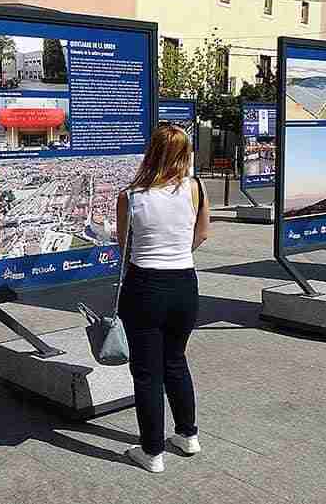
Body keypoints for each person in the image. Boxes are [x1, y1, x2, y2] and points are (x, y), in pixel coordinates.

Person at [116, 125, 210, 473]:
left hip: (145, 285)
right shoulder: (196, 189)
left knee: (146, 373)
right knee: (175, 360)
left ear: (151, 153)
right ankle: (188, 435)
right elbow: (202, 234)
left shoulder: (131, 195)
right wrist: (176, 254)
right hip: (185, 283)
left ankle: (152, 452)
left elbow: (124, 246)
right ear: (184, 154)